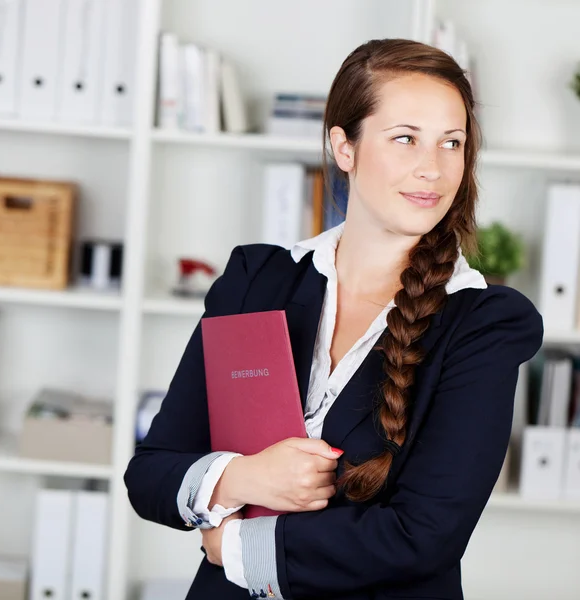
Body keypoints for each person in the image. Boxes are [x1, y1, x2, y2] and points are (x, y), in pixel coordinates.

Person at [124, 38, 544, 600]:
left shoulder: (484, 323)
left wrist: (238, 548)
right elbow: (151, 475)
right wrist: (245, 477)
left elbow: (425, 536)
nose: (433, 168)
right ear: (343, 147)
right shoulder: (257, 280)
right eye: (405, 138)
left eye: (452, 143)